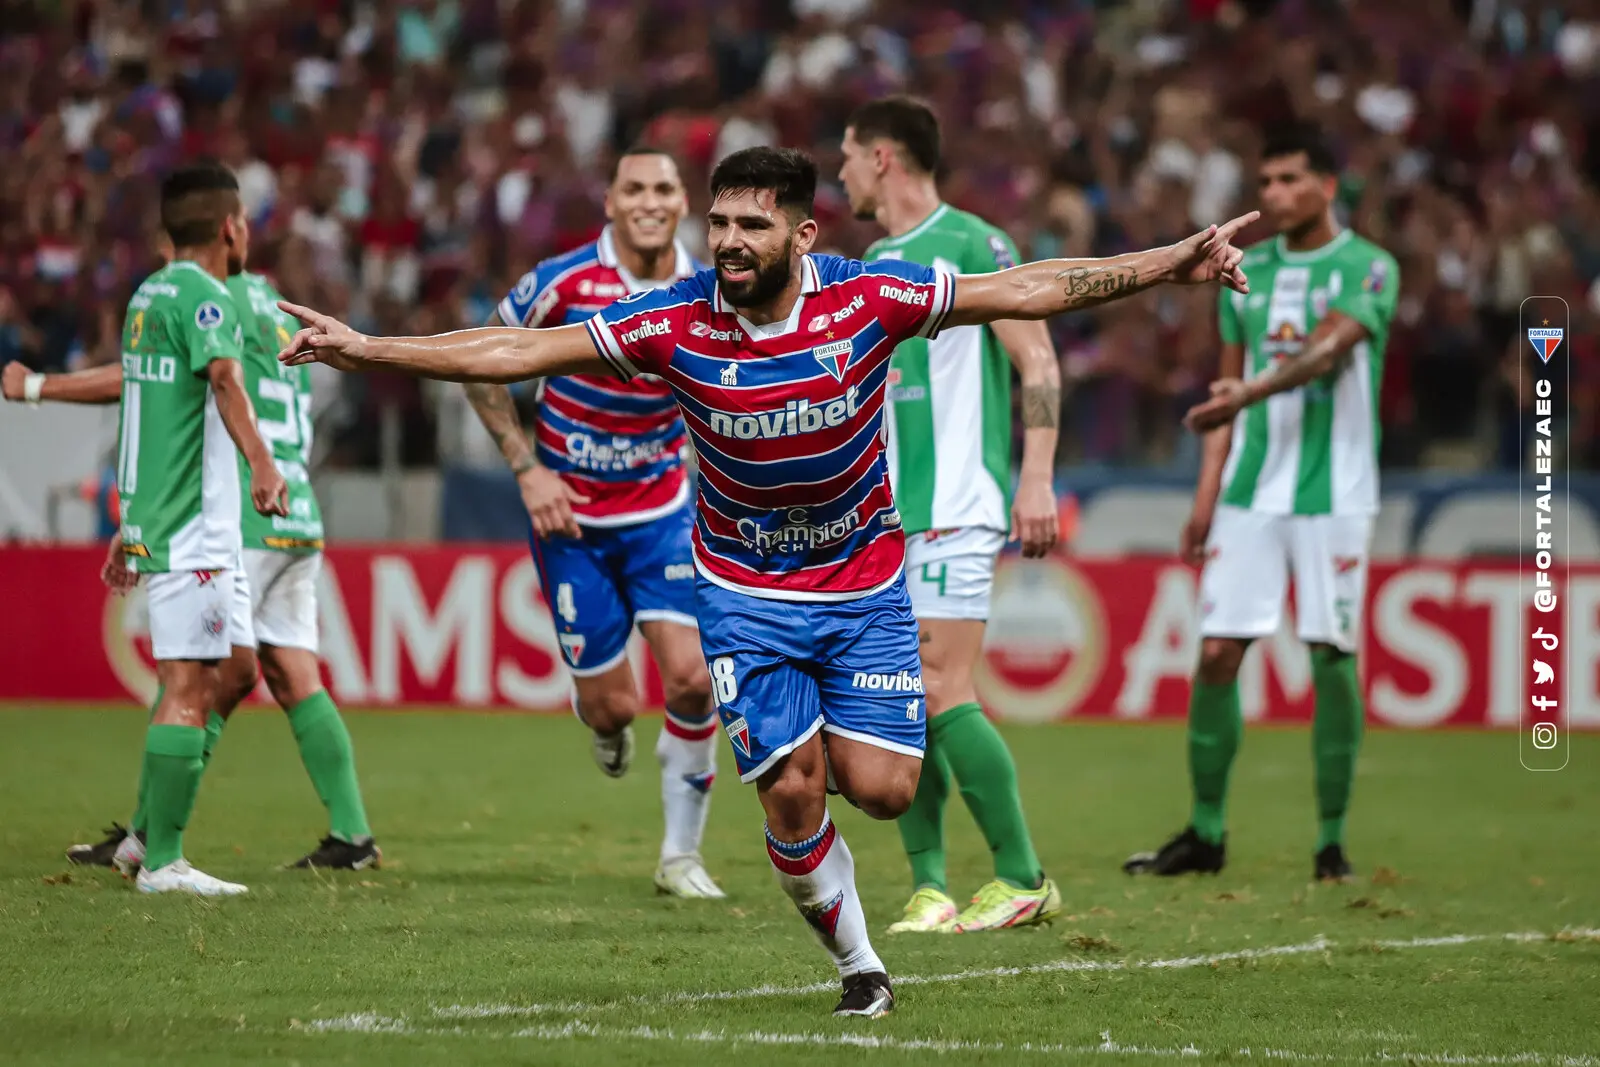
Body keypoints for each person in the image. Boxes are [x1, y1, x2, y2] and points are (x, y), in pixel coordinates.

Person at [273, 146, 1254, 1016]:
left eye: (752, 223)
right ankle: (862, 966)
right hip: (744, 595)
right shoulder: (672, 318)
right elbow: (519, 349)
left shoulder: (870, 296)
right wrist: (367, 347)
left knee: (882, 786)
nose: (729, 240)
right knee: (790, 789)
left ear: (802, 229)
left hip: (865, 583)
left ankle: (814, 744)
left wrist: (1172, 260)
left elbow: (1031, 290)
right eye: (722, 221)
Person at [5, 226, 380, 876]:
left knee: (195, 670)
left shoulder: (205, 298)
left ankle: (148, 838)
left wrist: (38, 387)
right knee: (292, 673)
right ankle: (352, 833)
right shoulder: (270, 301)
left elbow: (143, 382)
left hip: (242, 509)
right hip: (298, 508)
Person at [1124, 125, 1400, 883]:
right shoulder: (1247, 271)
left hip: (1333, 493)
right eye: (1266, 180)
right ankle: (1205, 833)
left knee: (1330, 654)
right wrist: (1206, 492)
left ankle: (1331, 842)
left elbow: (1329, 349)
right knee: (1216, 652)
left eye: (1288, 179)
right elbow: (1225, 389)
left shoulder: (1368, 267)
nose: (1273, 193)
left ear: (1327, 187)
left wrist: (1248, 392)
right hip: (1249, 489)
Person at [463, 147, 722, 899]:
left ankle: (680, 856)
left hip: (664, 513)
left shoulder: (707, 286)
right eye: (634, 187)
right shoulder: (563, 282)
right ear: (609, 202)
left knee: (693, 678)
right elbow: (482, 361)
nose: (649, 200)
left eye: (664, 188)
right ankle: (607, 725)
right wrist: (528, 467)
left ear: (683, 202)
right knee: (613, 703)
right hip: (570, 518)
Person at [839, 95, 1064, 935]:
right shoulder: (871, 260)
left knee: (941, 685)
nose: (842, 172)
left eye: (849, 155)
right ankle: (929, 886)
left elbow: (1035, 356)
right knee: (899, 698)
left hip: (959, 501)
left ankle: (1022, 875)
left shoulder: (974, 242)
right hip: (890, 515)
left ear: (885, 157)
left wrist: (1035, 478)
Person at [105, 162, 284, 894]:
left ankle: (144, 834)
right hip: (193, 528)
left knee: (238, 669)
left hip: (168, 515)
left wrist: (129, 517)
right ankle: (163, 859)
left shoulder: (148, 295)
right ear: (229, 227)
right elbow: (224, 378)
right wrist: (264, 462)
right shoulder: (210, 299)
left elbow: (145, 408)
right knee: (186, 683)